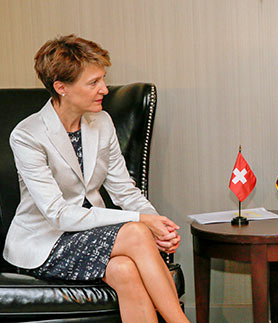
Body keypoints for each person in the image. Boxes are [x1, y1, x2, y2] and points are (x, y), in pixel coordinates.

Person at [3, 35, 189, 323]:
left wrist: (157, 224)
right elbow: (59, 215)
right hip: (46, 241)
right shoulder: (27, 136)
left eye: (103, 79)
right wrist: (142, 223)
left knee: (125, 270)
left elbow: (125, 190)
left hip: (92, 234)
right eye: (93, 83)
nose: (104, 89)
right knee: (137, 232)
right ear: (61, 88)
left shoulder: (101, 122)